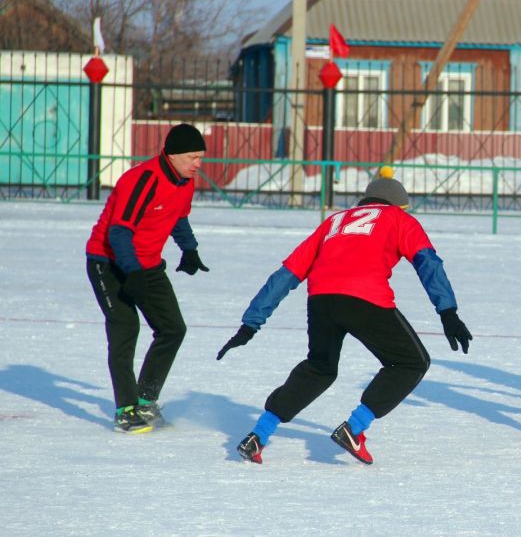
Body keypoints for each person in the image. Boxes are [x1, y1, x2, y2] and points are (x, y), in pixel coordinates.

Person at [217, 169, 472, 465]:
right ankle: (354, 428)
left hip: (321, 301)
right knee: (412, 362)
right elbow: (428, 264)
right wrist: (448, 312)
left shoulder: (334, 222)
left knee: (319, 368)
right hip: (365, 297)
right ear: (399, 206)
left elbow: (286, 274)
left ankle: (258, 435)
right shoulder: (400, 218)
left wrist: (250, 324)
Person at [86, 123, 209, 433]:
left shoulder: (185, 181)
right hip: (108, 262)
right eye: (192, 157)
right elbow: (118, 232)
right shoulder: (142, 180)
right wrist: (133, 272)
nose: (198, 164)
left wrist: (189, 249)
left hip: (147, 264)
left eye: (200, 157)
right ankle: (126, 410)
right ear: (173, 155)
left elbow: (178, 217)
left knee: (173, 329)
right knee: (126, 327)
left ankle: (144, 399)